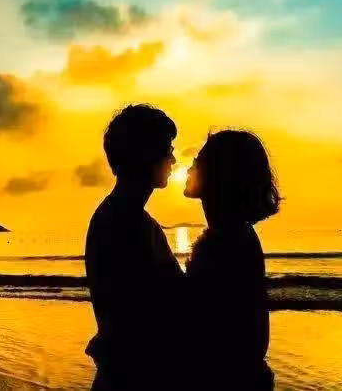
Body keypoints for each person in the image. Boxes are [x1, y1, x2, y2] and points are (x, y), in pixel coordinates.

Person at [85, 104, 185, 390]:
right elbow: (142, 317)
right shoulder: (123, 221)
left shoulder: (128, 218)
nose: (173, 159)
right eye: (167, 149)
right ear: (144, 154)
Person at [183, 130, 281, 391]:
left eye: (198, 161)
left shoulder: (227, 243)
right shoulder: (232, 236)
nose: (190, 166)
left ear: (219, 176)